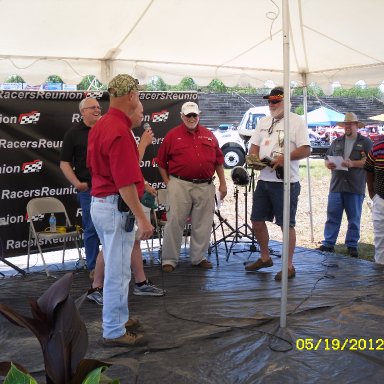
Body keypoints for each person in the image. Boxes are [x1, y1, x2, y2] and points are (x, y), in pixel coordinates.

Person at [87, 74, 154, 347]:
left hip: (103, 204)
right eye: (138, 95)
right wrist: (141, 218)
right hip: (114, 206)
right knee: (118, 271)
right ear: (131, 97)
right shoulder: (118, 129)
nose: (139, 99)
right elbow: (125, 181)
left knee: (118, 267)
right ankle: (114, 330)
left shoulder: (103, 124)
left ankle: (117, 317)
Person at [86, 103, 165, 305]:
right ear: (129, 104)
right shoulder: (119, 130)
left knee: (126, 245)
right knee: (116, 266)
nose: (142, 115)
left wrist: (143, 184)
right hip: (114, 201)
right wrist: (144, 145)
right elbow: (124, 171)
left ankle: (139, 283)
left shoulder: (108, 127)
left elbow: (124, 170)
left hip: (110, 200)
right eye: (140, 110)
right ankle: (112, 320)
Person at [244, 86, 311, 280]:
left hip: (286, 182)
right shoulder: (263, 121)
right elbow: (254, 147)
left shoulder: (297, 122)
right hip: (264, 178)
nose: (271, 104)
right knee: (256, 220)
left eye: (276, 101)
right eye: (269, 101)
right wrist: (254, 160)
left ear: (286, 102)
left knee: (286, 224)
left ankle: (289, 266)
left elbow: (306, 150)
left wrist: (285, 158)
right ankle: (265, 257)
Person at [156, 101, 227, 272]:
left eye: (194, 115)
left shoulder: (209, 135)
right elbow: (160, 162)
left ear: (199, 116)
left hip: (206, 185)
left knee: (203, 223)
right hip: (179, 184)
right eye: (188, 115)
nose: (191, 118)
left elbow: (218, 161)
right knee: (174, 221)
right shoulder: (172, 135)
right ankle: (169, 259)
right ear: (181, 116)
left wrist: (223, 183)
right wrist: (169, 183)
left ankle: (198, 257)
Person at [317, 112, 372, 258]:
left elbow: (371, 162)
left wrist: (353, 163)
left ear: (356, 125)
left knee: (354, 218)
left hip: (355, 186)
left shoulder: (365, 142)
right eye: (345, 124)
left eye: (350, 124)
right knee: (332, 215)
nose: (347, 126)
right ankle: (329, 244)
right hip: (337, 185)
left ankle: (352, 245)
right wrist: (328, 164)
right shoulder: (337, 142)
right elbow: (327, 158)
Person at [60, 97, 102, 278]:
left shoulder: (107, 129)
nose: (97, 110)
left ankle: (113, 264)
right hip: (89, 190)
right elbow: (64, 163)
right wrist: (77, 183)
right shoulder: (73, 133)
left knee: (115, 229)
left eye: (99, 107)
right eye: (92, 107)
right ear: (82, 111)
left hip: (111, 188)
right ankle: (93, 267)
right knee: (91, 228)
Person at [364, 139, 384, 264]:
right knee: (380, 240)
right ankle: (379, 275)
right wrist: (372, 193)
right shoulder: (378, 147)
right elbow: (368, 168)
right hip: (381, 200)